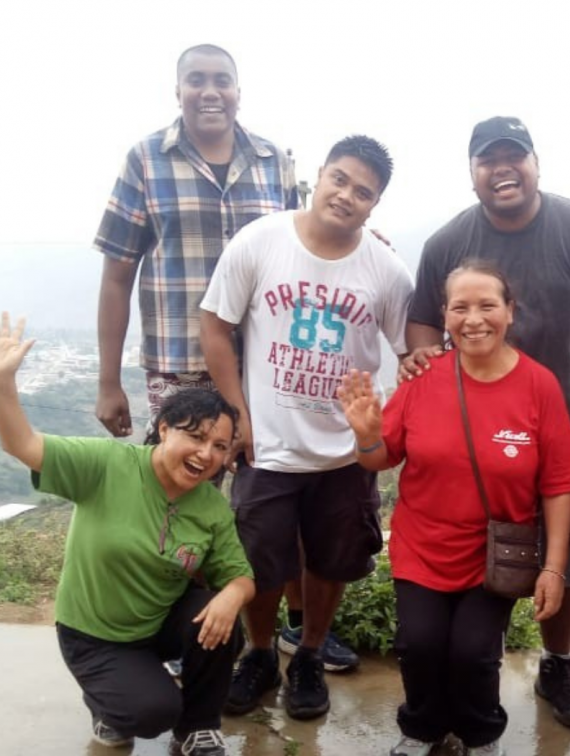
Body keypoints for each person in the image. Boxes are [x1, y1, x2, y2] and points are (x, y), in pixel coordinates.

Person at [400, 114, 570, 729]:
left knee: (568, 561)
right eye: (487, 159)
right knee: (475, 550)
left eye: (514, 156)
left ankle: (557, 665)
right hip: (478, 433)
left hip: (569, 424)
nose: (502, 169)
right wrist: (420, 356)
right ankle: (467, 660)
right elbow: (423, 318)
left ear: (535, 163)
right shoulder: (448, 242)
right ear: (472, 173)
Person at [200, 135, 413, 721]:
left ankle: (311, 655)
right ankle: (263, 653)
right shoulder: (261, 241)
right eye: (339, 179)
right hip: (267, 446)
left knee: (330, 562)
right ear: (318, 176)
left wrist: (381, 429)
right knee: (261, 561)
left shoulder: (388, 270)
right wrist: (237, 414)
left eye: (363, 191)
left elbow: (410, 348)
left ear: (375, 204)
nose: (346, 195)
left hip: (344, 454)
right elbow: (216, 326)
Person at [339, 261, 570, 756]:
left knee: (474, 654)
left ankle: (479, 733)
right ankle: (422, 728)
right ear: (445, 316)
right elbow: (381, 457)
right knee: (420, 646)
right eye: (460, 307)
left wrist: (555, 568)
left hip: (494, 554)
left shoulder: (539, 385)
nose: (474, 319)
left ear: (510, 312)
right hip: (422, 546)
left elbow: (559, 484)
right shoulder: (424, 375)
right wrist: (366, 436)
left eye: (487, 305)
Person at [0, 313, 254, 756]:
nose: (206, 454)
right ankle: (109, 701)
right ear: (162, 429)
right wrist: (4, 385)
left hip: (155, 625)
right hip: (92, 634)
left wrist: (233, 594)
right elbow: (23, 444)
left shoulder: (211, 506)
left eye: (218, 446)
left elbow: (240, 575)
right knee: (150, 712)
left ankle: (198, 727)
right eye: (194, 437)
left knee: (223, 623)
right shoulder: (106, 466)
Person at [93, 43, 298, 438]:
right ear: (178, 92)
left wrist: (360, 239)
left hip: (262, 363)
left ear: (238, 92)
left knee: (262, 488)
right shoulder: (145, 161)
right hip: (177, 365)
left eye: (222, 81)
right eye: (196, 81)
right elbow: (116, 277)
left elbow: (301, 250)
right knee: (180, 487)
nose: (209, 92)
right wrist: (108, 382)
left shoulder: (273, 163)